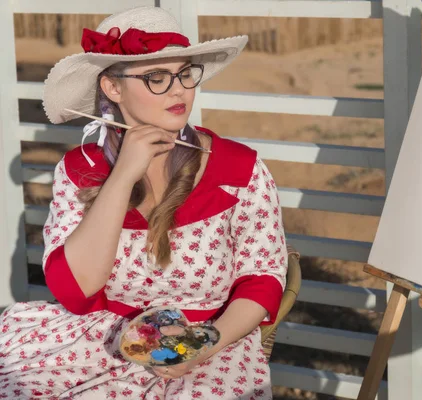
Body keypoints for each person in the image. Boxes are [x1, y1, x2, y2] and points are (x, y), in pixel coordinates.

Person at [0, 6, 287, 399]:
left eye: (185, 73)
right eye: (156, 77)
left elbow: (263, 279)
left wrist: (206, 343)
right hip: (98, 341)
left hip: (212, 347)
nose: (179, 90)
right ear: (112, 89)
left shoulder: (240, 169)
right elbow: (75, 292)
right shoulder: (79, 169)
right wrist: (121, 178)